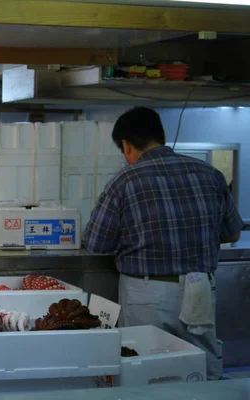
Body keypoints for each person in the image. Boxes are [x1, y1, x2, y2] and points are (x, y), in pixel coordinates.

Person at [84, 107, 243, 381]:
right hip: (201, 287)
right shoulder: (210, 174)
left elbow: (98, 243)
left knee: (147, 370)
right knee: (200, 368)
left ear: (126, 144)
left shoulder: (125, 181)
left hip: (148, 292)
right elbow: (232, 233)